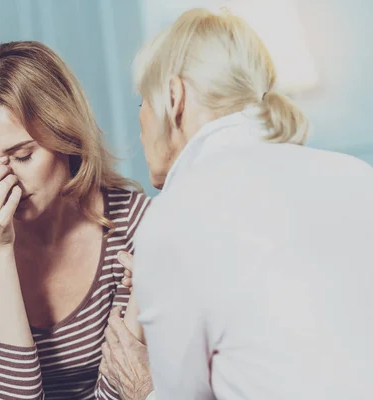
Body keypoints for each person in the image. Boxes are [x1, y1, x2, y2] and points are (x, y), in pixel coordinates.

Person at [101, 7, 373, 399]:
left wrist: (141, 388)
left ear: (174, 97)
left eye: (141, 102)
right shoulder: (357, 174)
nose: (141, 121)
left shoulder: (174, 216)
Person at [0, 40, 154, 399]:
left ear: (68, 137)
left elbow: (127, 386)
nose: (4, 179)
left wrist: (143, 298)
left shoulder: (138, 224)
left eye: (23, 155)